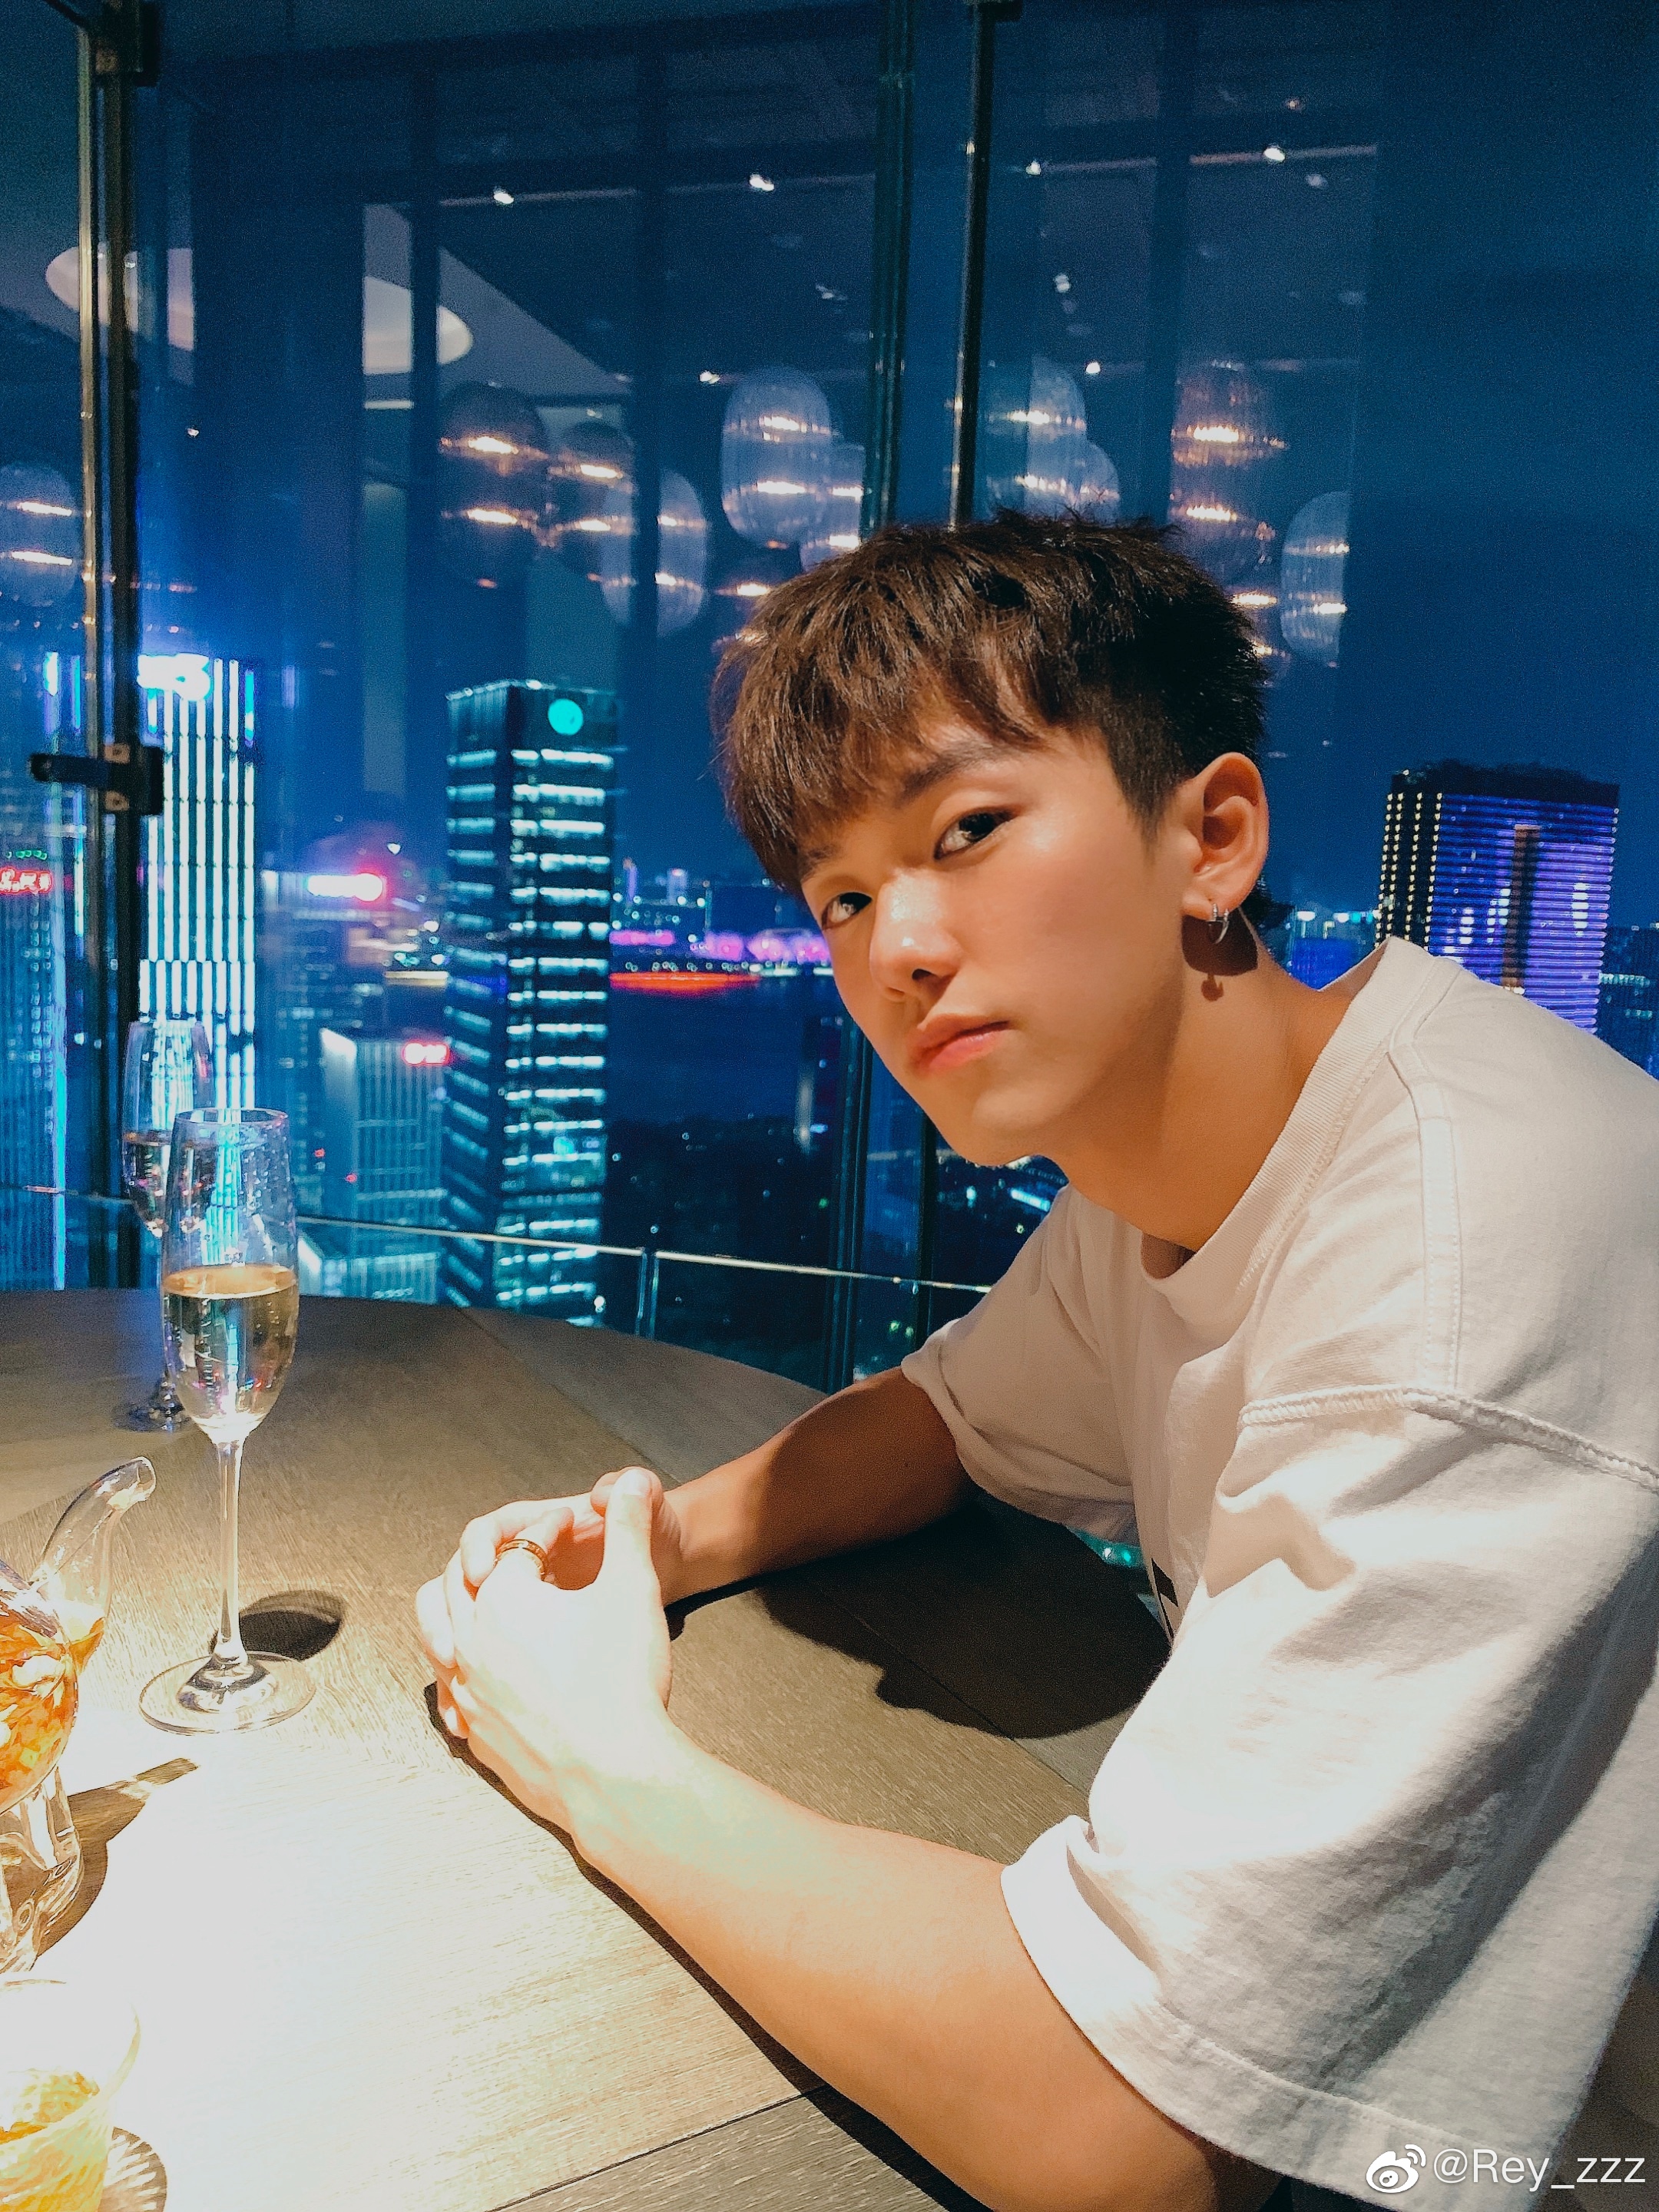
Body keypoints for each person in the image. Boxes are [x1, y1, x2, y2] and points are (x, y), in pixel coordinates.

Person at [416, 515, 1659, 2212]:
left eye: (969, 830)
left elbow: (1118, 2140)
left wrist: (588, 1746)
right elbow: (952, 1415)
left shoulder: (1452, 1272)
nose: (897, 950)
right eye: (845, 897)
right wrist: (653, 1535)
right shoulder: (1191, 1149)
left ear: (1210, 837)